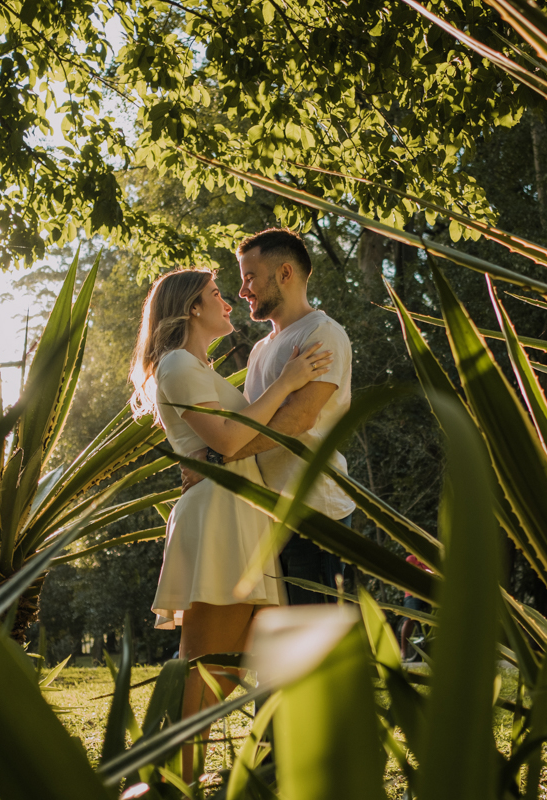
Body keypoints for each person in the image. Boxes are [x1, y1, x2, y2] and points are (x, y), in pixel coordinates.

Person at [128, 267, 332, 780]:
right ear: (192, 308)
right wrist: (288, 381)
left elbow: (230, 442)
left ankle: (219, 779)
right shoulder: (176, 363)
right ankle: (176, 784)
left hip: (239, 513)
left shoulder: (198, 367)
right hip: (219, 517)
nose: (228, 301)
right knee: (202, 674)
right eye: (216, 294)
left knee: (227, 673)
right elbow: (228, 440)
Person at [183, 229, 355, 605]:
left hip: (314, 513)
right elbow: (250, 422)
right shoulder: (262, 348)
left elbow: (299, 419)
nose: (242, 291)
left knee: (322, 645)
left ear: (285, 273)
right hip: (267, 516)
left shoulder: (322, 333)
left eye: (249, 277)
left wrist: (215, 460)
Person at [400, 554, 433, 662]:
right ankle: (403, 651)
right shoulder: (411, 559)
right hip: (412, 594)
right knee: (410, 618)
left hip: (428, 594)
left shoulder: (431, 561)